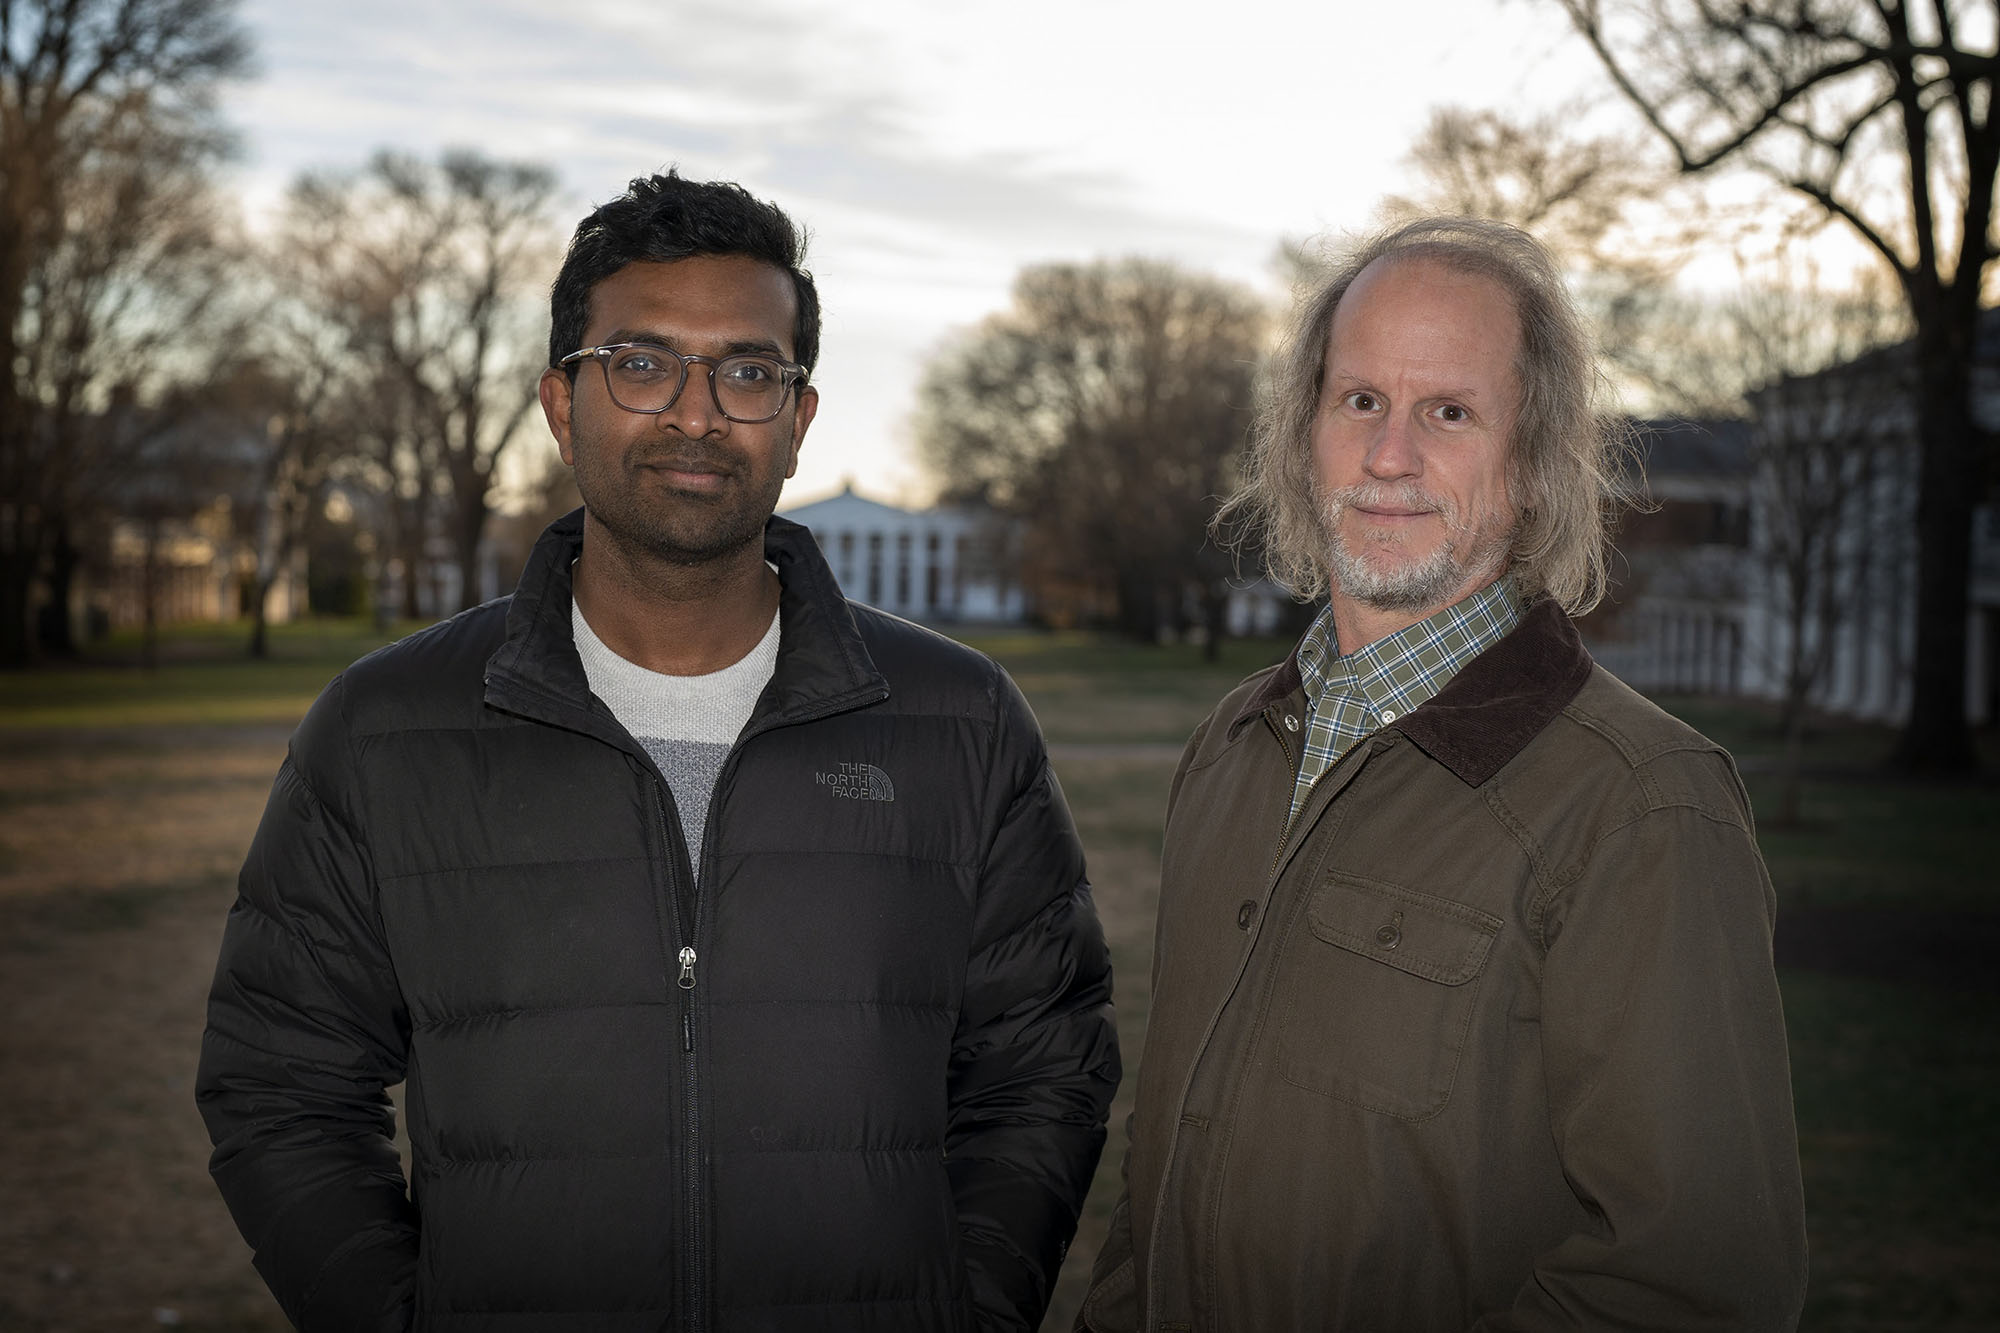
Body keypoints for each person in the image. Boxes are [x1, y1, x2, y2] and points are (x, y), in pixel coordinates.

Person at [198, 170, 1118, 1332]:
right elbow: (279, 1084)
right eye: (640, 363)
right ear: (558, 402)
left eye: (747, 371)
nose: (696, 412)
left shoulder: (961, 720)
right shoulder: (385, 728)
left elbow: (1043, 1075)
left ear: (797, 420)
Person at [1078, 217, 1806, 1332]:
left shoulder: (1642, 806)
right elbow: (1165, 1164)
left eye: (1448, 413)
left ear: (1530, 463)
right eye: (1358, 400)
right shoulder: (1231, 747)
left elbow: (1685, 1286)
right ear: (1301, 431)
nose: (1387, 456)